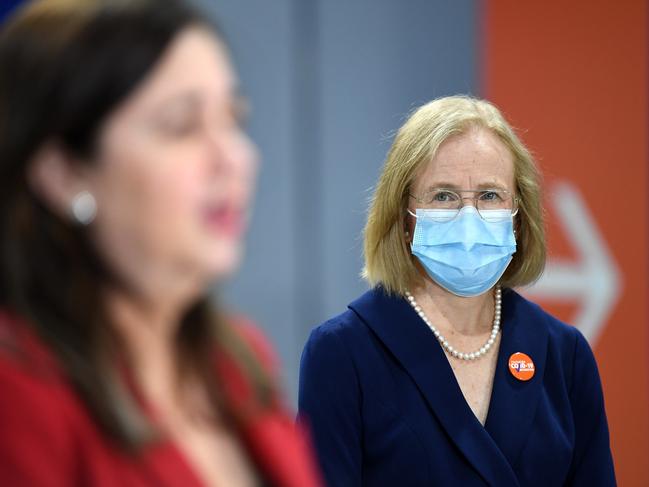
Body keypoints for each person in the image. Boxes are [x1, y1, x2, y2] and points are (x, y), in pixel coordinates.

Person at [0, 1, 322, 486]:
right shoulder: (17, 393)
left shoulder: (236, 360)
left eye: (234, 120)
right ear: (63, 174)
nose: (234, 158)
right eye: (182, 127)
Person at [298, 95, 616, 486]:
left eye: (489, 195)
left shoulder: (563, 355)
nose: (469, 218)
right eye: (443, 196)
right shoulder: (342, 352)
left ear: (518, 216)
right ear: (403, 218)